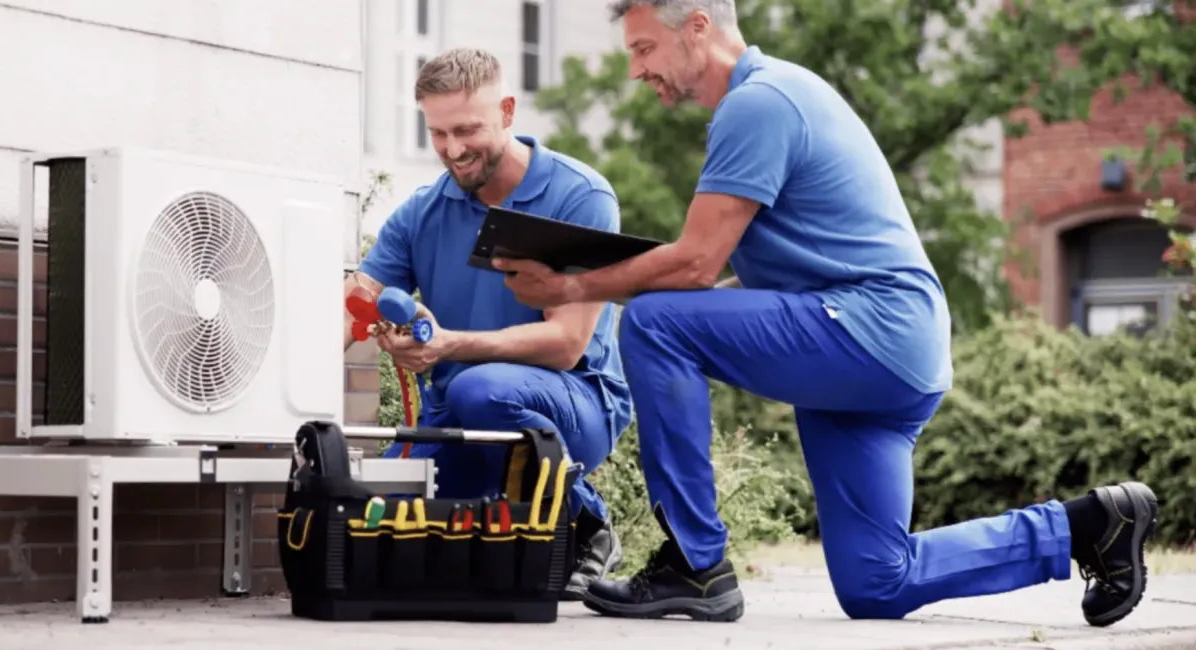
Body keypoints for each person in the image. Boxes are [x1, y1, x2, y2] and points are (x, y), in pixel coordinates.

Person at [493, 0, 1161, 627]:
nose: (637, 69)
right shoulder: (778, 96)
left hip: (869, 328)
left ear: (696, 26)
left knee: (653, 321)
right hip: (886, 351)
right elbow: (724, 270)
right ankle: (1092, 524)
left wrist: (572, 289)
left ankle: (695, 564)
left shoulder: (757, 104)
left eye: (643, 48)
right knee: (877, 581)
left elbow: (695, 263)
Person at [344, 47, 635, 600]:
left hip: (573, 404)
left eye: (466, 130)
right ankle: (513, 523)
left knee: (481, 387)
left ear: (506, 110)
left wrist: (447, 345)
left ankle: (586, 521)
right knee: (368, 524)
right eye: (437, 133)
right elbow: (353, 301)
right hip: (455, 415)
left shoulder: (578, 197)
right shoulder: (422, 212)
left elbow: (567, 343)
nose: (452, 150)